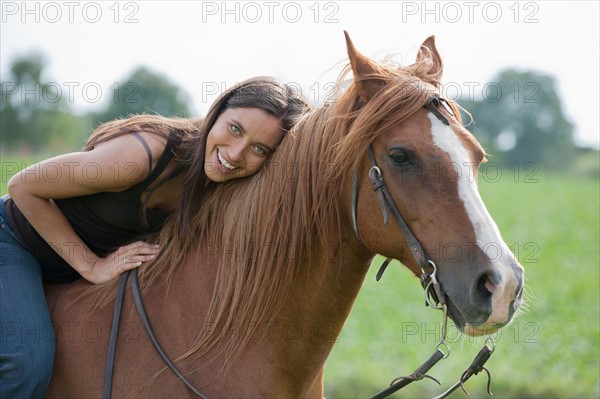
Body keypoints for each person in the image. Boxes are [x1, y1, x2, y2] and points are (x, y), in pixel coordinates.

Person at [0, 76, 311, 398]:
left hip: (70, 262)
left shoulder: (225, 186)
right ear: (217, 112)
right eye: (235, 129)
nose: (235, 154)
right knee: (27, 364)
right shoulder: (141, 155)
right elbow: (23, 186)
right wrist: (91, 265)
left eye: (259, 149)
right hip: (13, 238)